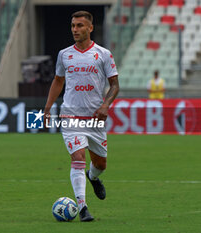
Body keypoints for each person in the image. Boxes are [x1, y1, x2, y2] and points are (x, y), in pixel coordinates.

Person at [44, 11, 119, 222]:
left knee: (101, 165)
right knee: (78, 158)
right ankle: (83, 207)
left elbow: (115, 85)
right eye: (73, 26)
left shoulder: (103, 54)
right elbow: (58, 81)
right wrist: (48, 107)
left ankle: (92, 177)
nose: (75, 30)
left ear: (90, 28)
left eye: (79, 26)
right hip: (70, 116)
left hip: (95, 118)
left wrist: (105, 105)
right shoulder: (64, 54)